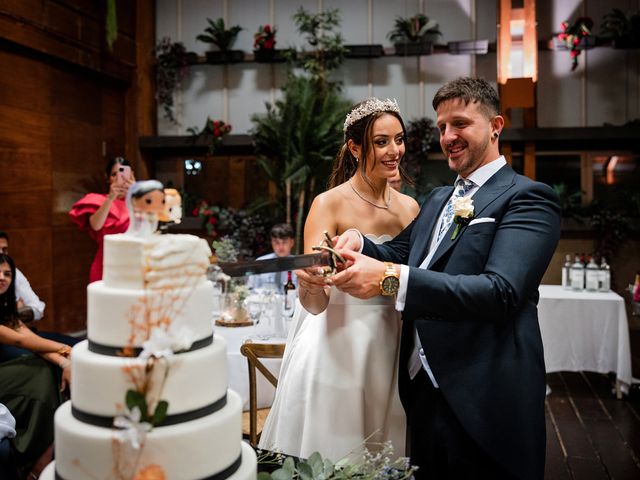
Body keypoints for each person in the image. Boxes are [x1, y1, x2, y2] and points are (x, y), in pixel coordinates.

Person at [327, 78, 561, 479]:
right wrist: (359, 242)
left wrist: (389, 280)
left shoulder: (527, 198)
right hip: (421, 392)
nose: (448, 136)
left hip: (486, 397)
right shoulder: (437, 199)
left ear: (496, 126)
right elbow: (401, 253)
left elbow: (500, 292)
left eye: (460, 124)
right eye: (441, 127)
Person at [258, 98, 420, 460]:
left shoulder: (411, 209)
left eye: (399, 139)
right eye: (381, 142)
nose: (395, 150)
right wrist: (310, 283)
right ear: (355, 147)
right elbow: (315, 305)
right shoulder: (328, 204)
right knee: (337, 450)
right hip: (336, 345)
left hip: (391, 344)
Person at [0, 253, 69, 477]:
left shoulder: (6, 311)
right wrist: (68, 350)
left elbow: (33, 343)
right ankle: (35, 458)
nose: (2, 278)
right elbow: (21, 341)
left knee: (49, 370)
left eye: (7, 274)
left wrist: (65, 362)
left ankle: (44, 454)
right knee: (39, 373)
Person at [69, 156, 135, 282]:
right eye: (114, 174)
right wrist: (110, 199)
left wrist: (136, 194)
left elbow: (149, 225)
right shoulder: (98, 201)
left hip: (133, 264)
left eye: (123, 173)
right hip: (105, 265)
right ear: (108, 178)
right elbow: (96, 225)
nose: (118, 178)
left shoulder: (139, 202)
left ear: (131, 175)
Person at [0, 231, 45, 323]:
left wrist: (14, 312)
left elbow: (38, 309)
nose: (1, 253)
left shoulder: (14, 272)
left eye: (4, 250)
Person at [247, 223, 298, 294]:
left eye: (284, 242)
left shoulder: (299, 264)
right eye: (277, 242)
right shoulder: (260, 262)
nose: (281, 247)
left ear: (292, 243)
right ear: (272, 243)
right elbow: (250, 290)